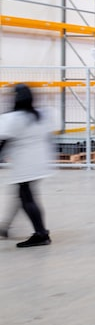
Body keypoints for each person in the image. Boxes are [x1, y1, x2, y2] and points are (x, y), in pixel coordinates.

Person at [0, 84, 55, 247]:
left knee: (26, 197)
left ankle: (41, 233)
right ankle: (5, 227)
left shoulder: (14, 118)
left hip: (25, 163)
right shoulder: (40, 115)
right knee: (22, 195)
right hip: (40, 161)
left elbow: (5, 142)